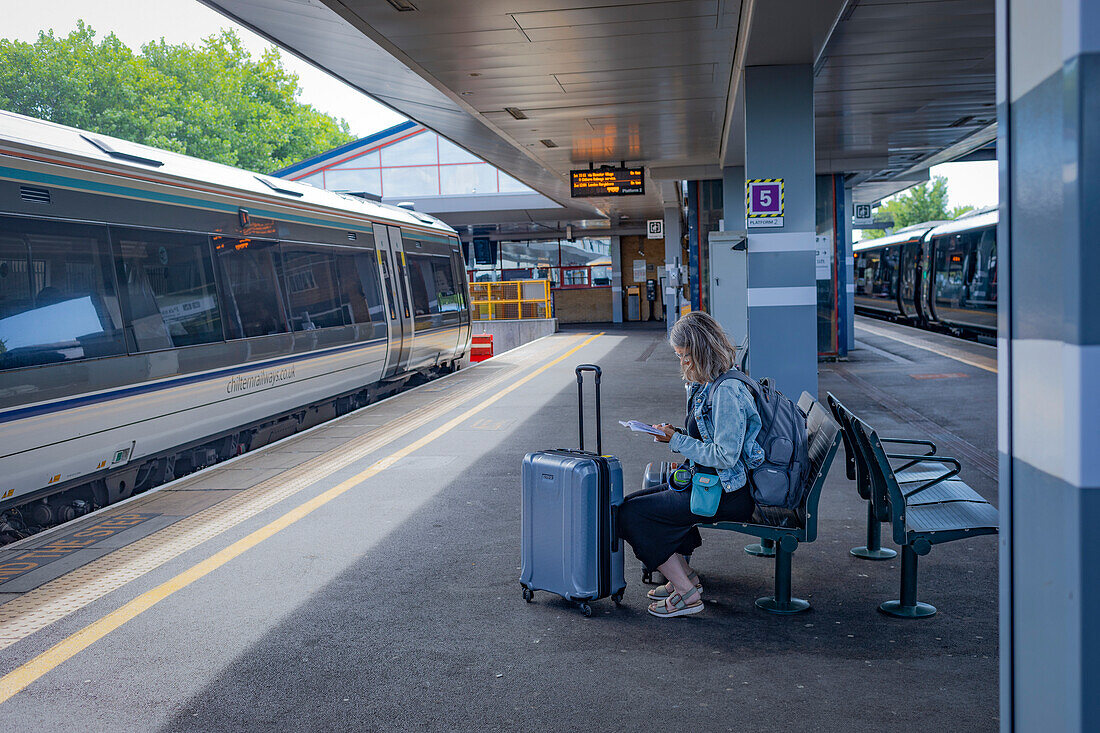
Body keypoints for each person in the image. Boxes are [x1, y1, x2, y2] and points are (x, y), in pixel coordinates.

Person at [617, 312, 764, 618]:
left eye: (683, 355)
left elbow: (725, 455)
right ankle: (686, 579)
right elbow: (713, 439)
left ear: (699, 352)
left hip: (727, 493)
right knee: (631, 503)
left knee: (631, 515)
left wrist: (678, 442)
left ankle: (686, 594)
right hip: (711, 483)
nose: (681, 362)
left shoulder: (726, 392)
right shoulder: (713, 384)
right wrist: (675, 435)